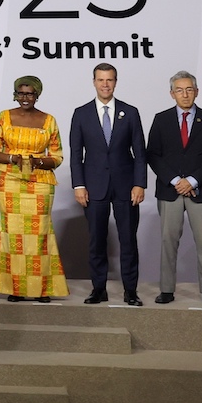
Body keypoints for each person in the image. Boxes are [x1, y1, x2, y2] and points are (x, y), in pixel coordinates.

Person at [70, 63, 149, 305]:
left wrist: (140, 183)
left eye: (110, 80)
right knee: (97, 240)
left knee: (128, 240)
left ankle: (130, 291)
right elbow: (76, 154)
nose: (105, 84)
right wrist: (79, 185)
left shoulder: (130, 112)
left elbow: (140, 152)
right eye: (101, 80)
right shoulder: (81, 113)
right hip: (93, 186)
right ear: (94, 82)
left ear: (115, 82)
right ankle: (98, 289)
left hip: (126, 186)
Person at [148, 71, 202, 306]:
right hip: (169, 191)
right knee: (168, 242)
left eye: (189, 89)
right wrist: (175, 181)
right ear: (172, 94)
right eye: (179, 90)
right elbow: (153, 155)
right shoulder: (161, 119)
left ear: (196, 92)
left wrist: (191, 181)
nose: (185, 94)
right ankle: (166, 290)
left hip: (200, 191)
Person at [0, 76, 67, 302]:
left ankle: (41, 288)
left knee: (40, 234)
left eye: (30, 94)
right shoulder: (4, 117)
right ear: (15, 94)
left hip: (40, 182)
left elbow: (57, 156)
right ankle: (15, 288)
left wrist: (38, 161)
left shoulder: (48, 120)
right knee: (12, 234)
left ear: (37, 95)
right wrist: (12, 158)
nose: (25, 98)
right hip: (9, 181)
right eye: (21, 93)